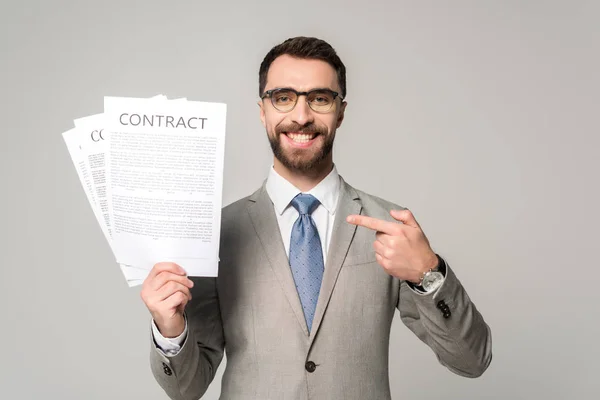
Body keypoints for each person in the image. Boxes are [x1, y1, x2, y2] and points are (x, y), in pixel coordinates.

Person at [141, 36, 492, 400]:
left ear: (340, 111)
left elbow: (472, 360)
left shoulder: (389, 227)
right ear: (263, 110)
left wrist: (428, 274)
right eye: (283, 98)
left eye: (319, 99)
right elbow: (185, 389)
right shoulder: (215, 235)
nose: (302, 116)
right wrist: (169, 328)